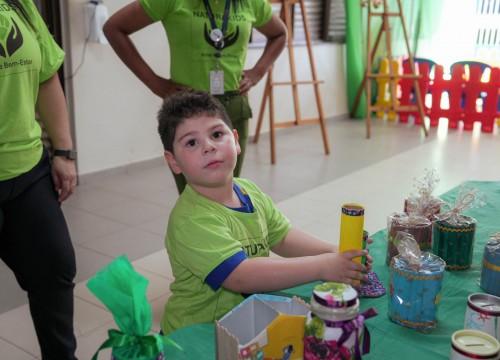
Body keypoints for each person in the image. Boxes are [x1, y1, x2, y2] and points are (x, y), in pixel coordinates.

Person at [157, 90, 372, 335]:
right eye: (191, 142)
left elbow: (283, 236)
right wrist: (323, 266)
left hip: (246, 326)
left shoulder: (249, 191)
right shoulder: (191, 219)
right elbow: (240, 276)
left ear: (236, 141)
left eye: (217, 134)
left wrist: (334, 251)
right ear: (173, 161)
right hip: (197, 337)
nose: (209, 147)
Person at [103, 0, 287, 194]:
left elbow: (279, 33)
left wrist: (258, 71)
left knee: (227, 192)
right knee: (192, 195)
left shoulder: (251, 2)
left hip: (232, 108)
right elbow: (114, 28)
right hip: (187, 113)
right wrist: (154, 82)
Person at [0, 1, 78, 358]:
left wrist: (63, 151)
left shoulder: (20, 3)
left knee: (54, 269)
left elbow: (46, 74)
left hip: (27, 168)